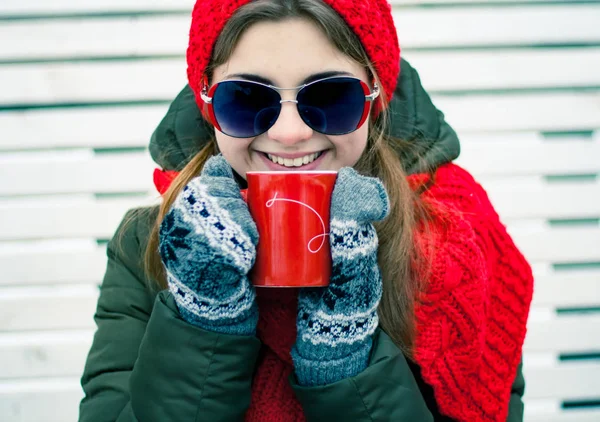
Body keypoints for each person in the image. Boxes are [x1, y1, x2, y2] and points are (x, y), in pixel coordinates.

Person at [78, 0, 534, 421]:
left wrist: (344, 356)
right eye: (247, 99)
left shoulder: (453, 241)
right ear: (208, 103)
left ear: (374, 100)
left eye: (331, 97)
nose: (290, 132)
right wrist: (202, 318)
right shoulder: (151, 241)